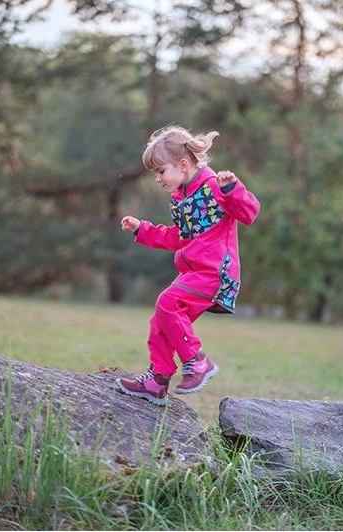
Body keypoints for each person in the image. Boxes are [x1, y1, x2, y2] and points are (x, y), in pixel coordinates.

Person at [117, 125, 261, 405]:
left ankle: (197, 361)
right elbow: (178, 237)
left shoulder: (214, 187)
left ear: (183, 165)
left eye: (161, 171)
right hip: (194, 272)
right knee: (161, 320)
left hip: (216, 272)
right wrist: (142, 229)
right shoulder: (181, 197)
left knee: (167, 302)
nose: (157, 178)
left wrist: (233, 189)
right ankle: (157, 381)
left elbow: (249, 213)